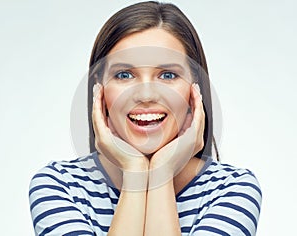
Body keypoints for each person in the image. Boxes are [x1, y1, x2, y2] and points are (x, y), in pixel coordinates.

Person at [29, 1, 262, 235]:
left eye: (168, 75)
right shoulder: (60, 185)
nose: (146, 95)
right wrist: (135, 172)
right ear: (99, 90)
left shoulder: (232, 188)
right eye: (124, 74)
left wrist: (161, 172)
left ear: (195, 91)